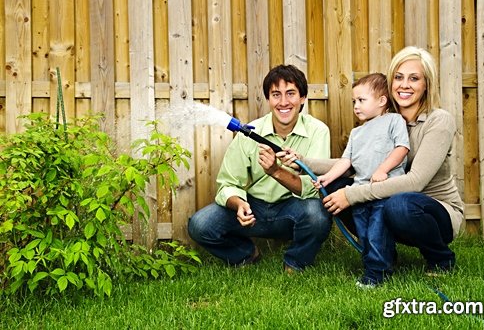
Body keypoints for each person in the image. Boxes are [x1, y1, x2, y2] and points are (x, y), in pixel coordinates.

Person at [286, 46, 464, 283]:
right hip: (391, 200)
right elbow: (354, 163)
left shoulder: (438, 121)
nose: (404, 84)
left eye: (414, 78)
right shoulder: (380, 123)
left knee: (398, 204)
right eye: (399, 77)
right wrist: (301, 161)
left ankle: (440, 257)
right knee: (337, 185)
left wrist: (352, 195)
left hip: (433, 210)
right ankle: (384, 255)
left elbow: (416, 181)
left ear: (426, 85)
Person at [188, 64, 332, 272]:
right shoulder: (250, 134)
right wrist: (238, 204)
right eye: (276, 94)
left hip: (292, 211)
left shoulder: (318, 131)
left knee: (319, 214)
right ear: (268, 99)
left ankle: (295, 262)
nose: (283, 102)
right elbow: (228, 183)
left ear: (303, 98)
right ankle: (245, 255)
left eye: (290, 93)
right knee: (200, 224)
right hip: (253, 209)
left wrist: (276, 171)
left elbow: (313, 188)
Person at [312, 73, 409, 287]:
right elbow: (346, 161)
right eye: (354, 101)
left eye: (362, 100)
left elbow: (402, 148)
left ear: (382, 101)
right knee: (365, 235)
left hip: (384, 192)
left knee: (376, 233)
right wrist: (327, 177)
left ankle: (375, 275)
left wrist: (383, 169)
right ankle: (383, 263)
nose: (356, 105)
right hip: (360, 192)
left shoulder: (393, 121)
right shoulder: (357, 133)